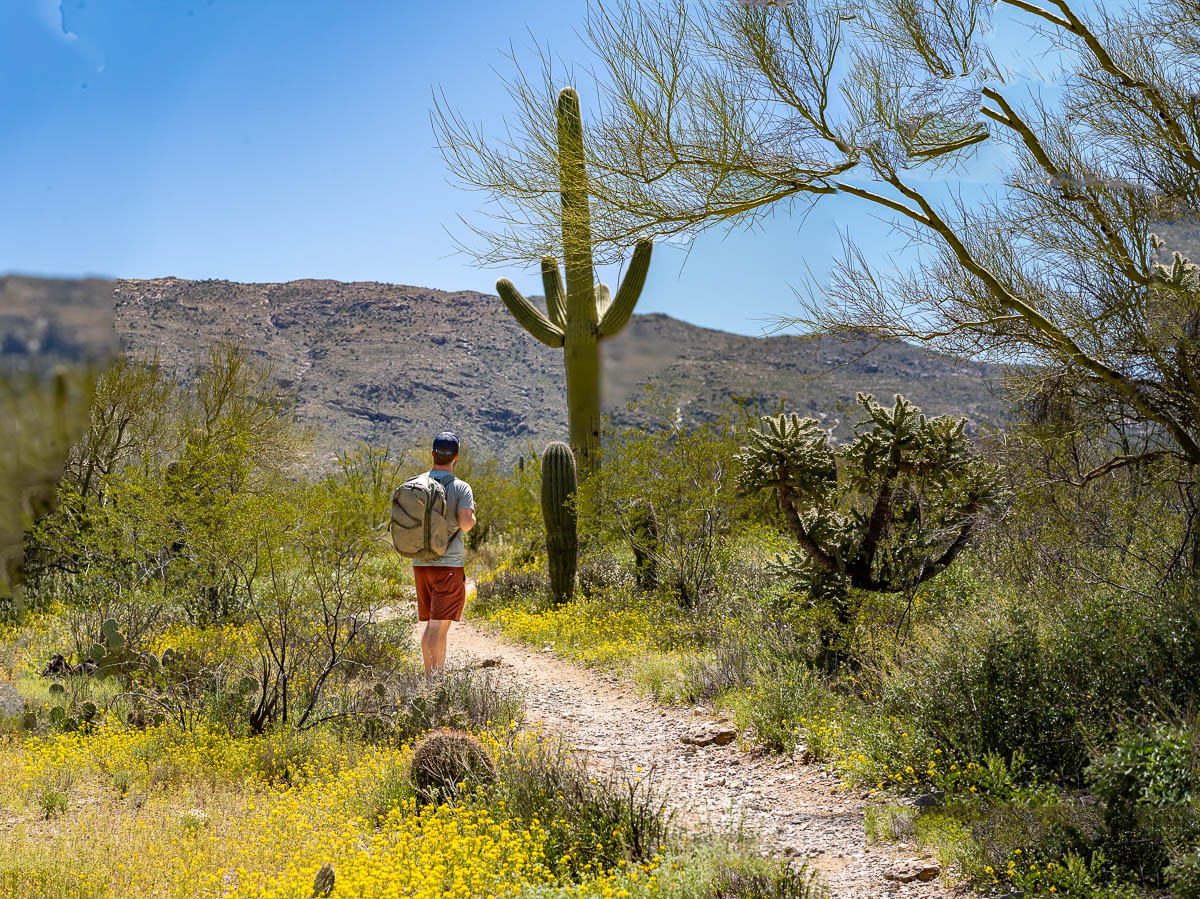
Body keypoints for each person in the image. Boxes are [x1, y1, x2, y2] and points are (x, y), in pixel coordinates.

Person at [413, 431, 475, 676]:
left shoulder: (416, 484)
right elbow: (466, 524)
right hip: (448, 565)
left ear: (432, 454)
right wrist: (473, 513)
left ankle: (430, 677)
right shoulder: (461, 487)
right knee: (439, 626)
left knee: (431, 625)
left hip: (420, 562)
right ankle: (435, 682)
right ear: (456, 457)